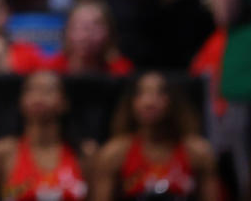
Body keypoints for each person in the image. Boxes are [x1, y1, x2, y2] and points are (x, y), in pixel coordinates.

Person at [91, 72, 218, 201]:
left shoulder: (198, 152)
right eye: (141, 93)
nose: (150, 102)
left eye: (160, 93)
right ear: (132, 102)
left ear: (173, 101)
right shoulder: (114, 154)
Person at [0, 71, 88, 201]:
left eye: (48, 90)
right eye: (31, 90)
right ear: (20, 101)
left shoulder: (85, 153)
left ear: (64, 103)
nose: (39, 96)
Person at [46, 0, 134, 76]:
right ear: (67, 31)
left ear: (110, 33)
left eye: (95, 27)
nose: (86, 35)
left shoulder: (121, 72)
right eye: (79, 26)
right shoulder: (51, 71)